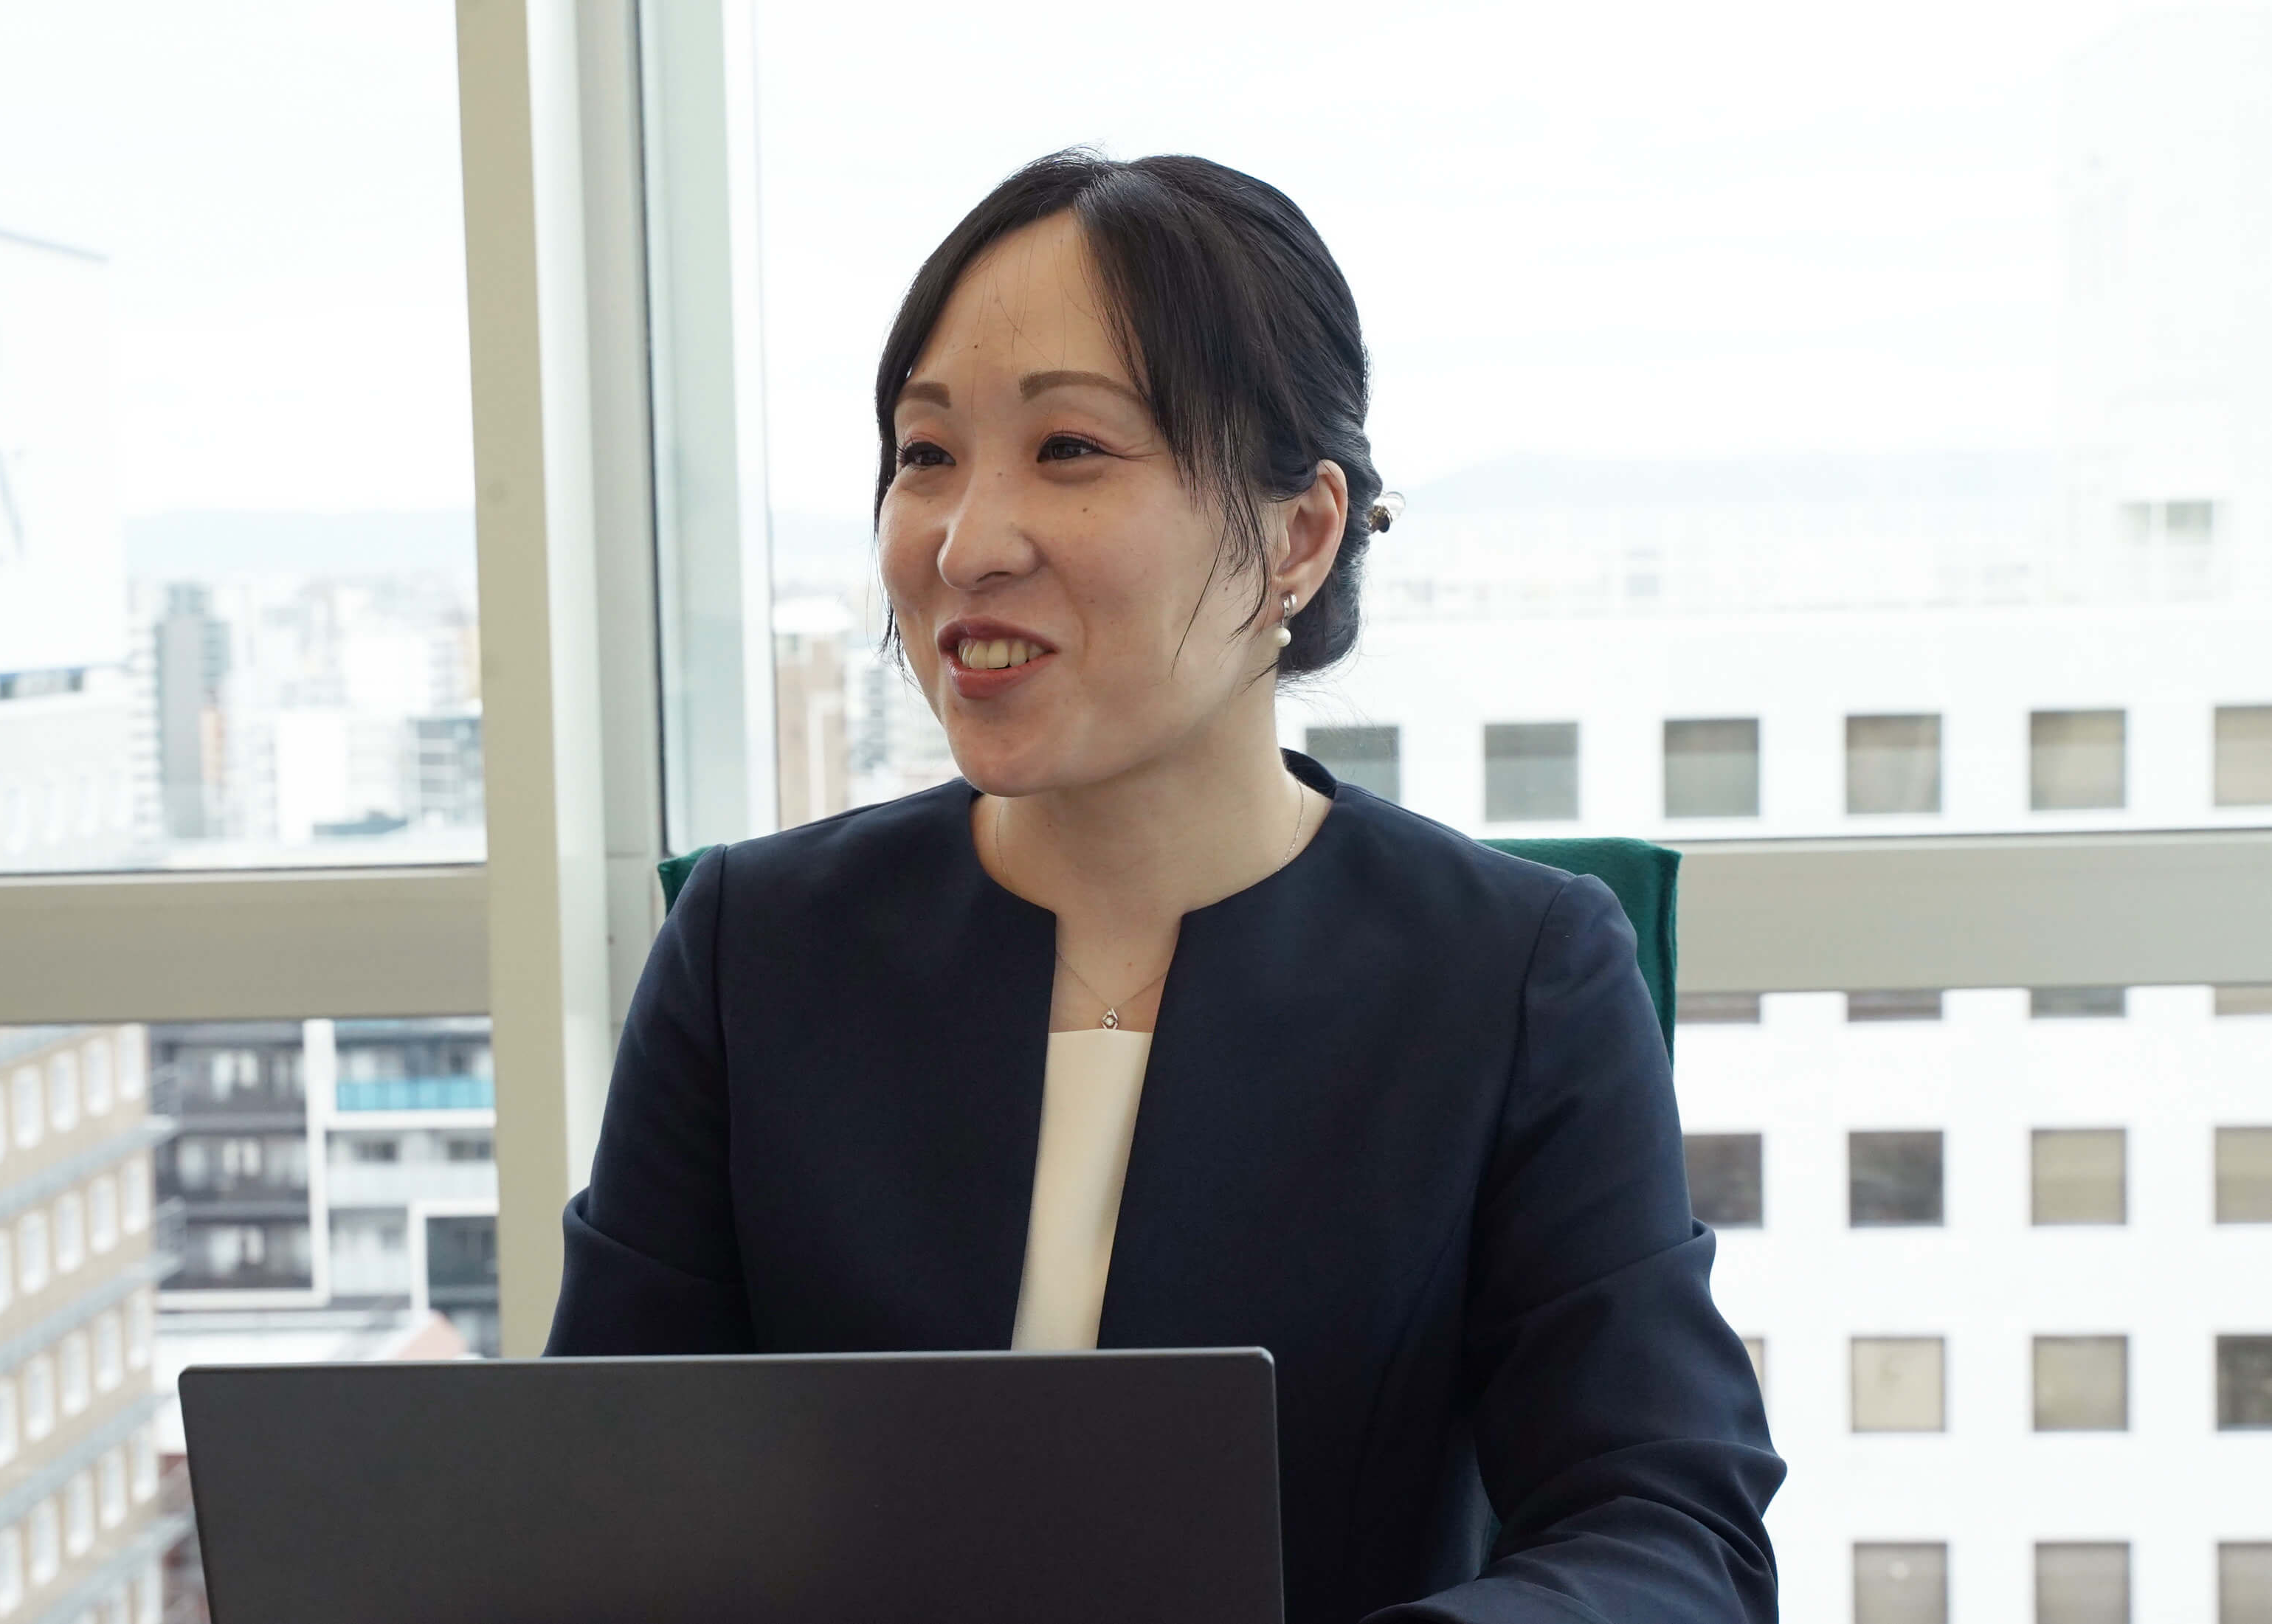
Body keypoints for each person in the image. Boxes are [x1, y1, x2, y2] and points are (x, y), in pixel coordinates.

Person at [546, 148, 1783, 1624]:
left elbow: (1670, 1530)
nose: (965, 543)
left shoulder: (1515, 976)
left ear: (1298, 534)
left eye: (1069, 448)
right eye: (926, 454)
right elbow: (596, 1503)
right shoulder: (755, 952)